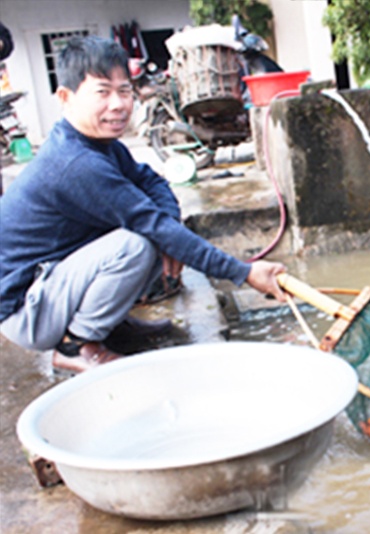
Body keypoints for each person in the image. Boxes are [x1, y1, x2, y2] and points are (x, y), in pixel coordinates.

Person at [0, 35, 286, 373]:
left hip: (53, 284)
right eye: (102, 92)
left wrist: (170, 228)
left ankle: (109, 328)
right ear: (65, 97)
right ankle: (76, 345)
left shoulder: (101, 145)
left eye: (125, 91)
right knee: (136, 244)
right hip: (26, 309)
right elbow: (149, 222)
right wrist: (244, 272)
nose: (118, 104)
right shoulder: (76, 163)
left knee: (157, 234)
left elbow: (152, 181)